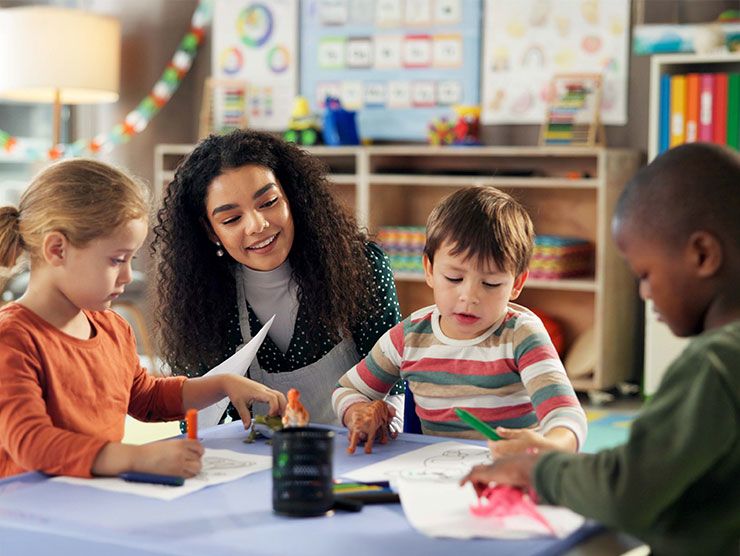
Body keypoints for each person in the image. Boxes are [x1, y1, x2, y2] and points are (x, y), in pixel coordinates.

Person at [461, 143, 740, 555]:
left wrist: (539, 470)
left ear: (702, 254)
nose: (644, 292)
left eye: (645, 274)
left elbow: (627, 488)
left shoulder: (714, 365)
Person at [0, 159, 286, 479]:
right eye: (116, 260)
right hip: (27, 514)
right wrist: (135, 458)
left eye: (130, 259)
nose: (127, 275)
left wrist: (221, 384)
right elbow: (32, 443)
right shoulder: (11, 339)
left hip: (89, 503)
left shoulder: (112, 328)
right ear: (57, 249)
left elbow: (147, 398)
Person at [151, 130, 403, 426]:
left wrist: (382, 427)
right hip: (261, 464)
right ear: (210, 231)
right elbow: (200, 419)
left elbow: (394, 383)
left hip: (359, 453)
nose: (258, 225)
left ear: (292, 198)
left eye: (269, 202)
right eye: (232, 219)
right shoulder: (203, 303)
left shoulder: (361, 267)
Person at [332, 186, 587, 454]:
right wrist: (357, 412)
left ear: (516, 284)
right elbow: (345, 389)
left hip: (510, 474)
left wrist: (550, 446)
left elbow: (566, 416)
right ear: (429, 270)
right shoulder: (408, 337)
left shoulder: (522, 335)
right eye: (454, 278)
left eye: (490, 283)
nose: (469, 296)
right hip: (435, 476)